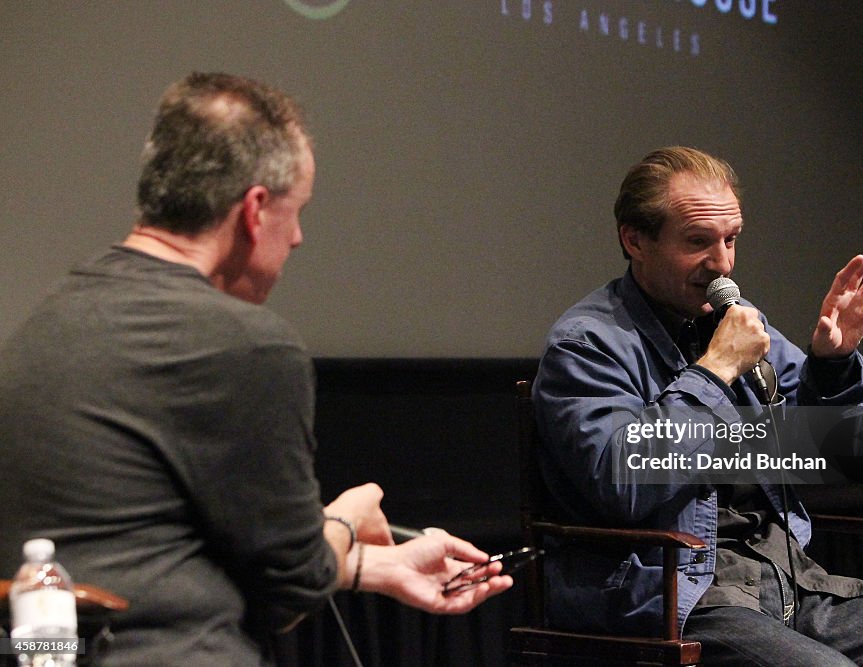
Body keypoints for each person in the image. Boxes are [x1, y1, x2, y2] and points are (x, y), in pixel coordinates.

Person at [0, 72, 511, 666]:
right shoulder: (245, 346)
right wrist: (346, 518)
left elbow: (148, 546)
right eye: (295, 213)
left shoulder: (42, 324)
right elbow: (289, 598)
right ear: (255, 209)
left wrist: (374, 565)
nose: (296, 239)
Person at [532, 146, 863, 665]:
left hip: (784, 577)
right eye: (698, 242)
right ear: (635, 240)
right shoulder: (588, 343)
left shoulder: (736, 321)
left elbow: (834, 453)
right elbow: (620, 483)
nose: (722, 264)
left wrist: (832, 364)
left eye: (731, 239)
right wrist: (713, 372)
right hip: (672, 594)